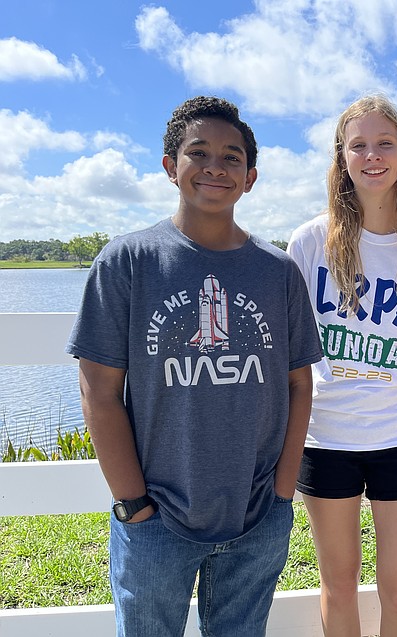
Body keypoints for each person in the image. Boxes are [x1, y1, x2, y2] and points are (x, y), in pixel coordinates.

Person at [65, 96, 323, 637]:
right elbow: (99, 390)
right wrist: (133, 503)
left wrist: (280, 494)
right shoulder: (127, 262)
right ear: (170, 166)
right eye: (198, 152)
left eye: (232, 158)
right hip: (156, 519)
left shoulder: (278, 273)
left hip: (257, 516)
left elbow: (300, 384)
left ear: (250, 177)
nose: (215, 167)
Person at [286, 94, 397, 637]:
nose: (372, 155)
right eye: (358, 145)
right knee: (337, 585)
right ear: (341, 158)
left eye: (385, 143)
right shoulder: (310, 241)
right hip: (327, 438)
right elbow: (294, 346)